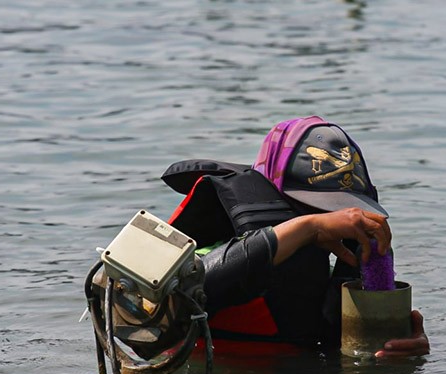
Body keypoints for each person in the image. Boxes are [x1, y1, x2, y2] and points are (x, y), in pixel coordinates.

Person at [165, 116, 429, 358]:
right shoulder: (212, 250)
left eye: (340, 210)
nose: (332, 222)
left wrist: (403, 346)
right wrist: (307, 228)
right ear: (272, 196)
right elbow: (172, 297)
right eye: (311, 207)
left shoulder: (331, 271)